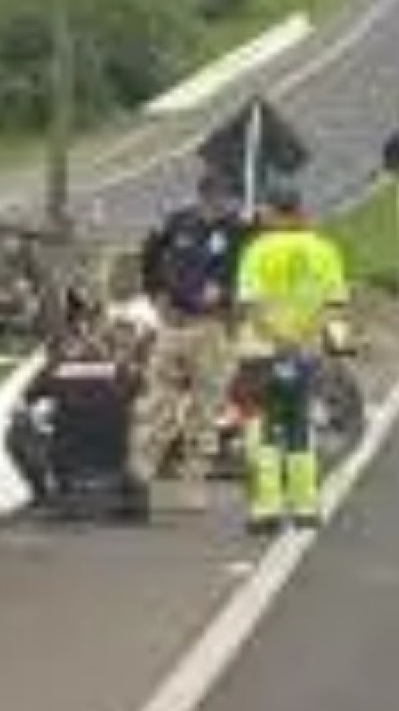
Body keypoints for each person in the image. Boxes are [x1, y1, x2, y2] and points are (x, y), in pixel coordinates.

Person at [233, 181, 352, 535]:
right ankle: (305, 506)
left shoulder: (258, 250)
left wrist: (277, 338)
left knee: (262, 427)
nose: (262, 215)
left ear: (274, 212)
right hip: (307, 352)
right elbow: (336, 305)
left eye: (265, 210)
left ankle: (267, 507)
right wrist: (301, 337)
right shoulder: (324, 250)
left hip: (261, 352)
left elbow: (249, 305)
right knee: (300, 425)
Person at [126, 170, 246, 512]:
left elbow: (251, 270)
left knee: (206, 408)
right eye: (215, 197)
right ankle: (140, 475)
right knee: (156, 403)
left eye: (226, 198)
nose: (221, 204)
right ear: (203, 197)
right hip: (174, 323)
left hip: (212, 326)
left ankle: (194, 482)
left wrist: (234, 305)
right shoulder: (178, 223)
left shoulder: (239, 230)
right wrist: (155, 296)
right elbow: (149, 255)